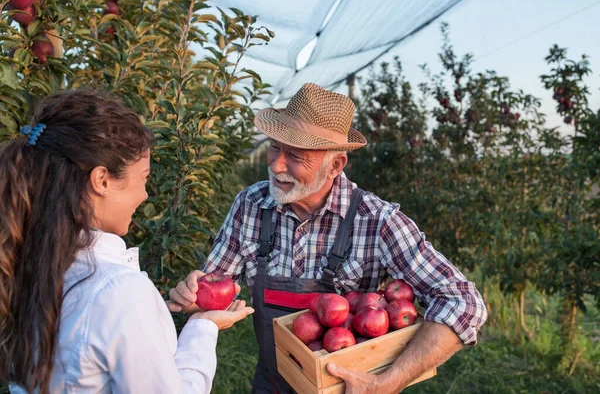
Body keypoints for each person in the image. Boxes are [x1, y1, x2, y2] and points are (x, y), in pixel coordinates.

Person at [168, 82, 488, 393]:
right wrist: (194, 296)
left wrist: (387, 383)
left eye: (295, 156)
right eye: (275, 147)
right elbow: (215, 285)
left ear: (335, 164)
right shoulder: (251, 205)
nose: (277, 164)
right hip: (272, 383)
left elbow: (464, 302)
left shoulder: (376, 221)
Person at [0, 89, 254, 394]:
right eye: (143, 178)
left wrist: (151, 315)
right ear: (102, 180)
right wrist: (204, 326)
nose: (144, 195)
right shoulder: (119, 292)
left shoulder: (29, 256)